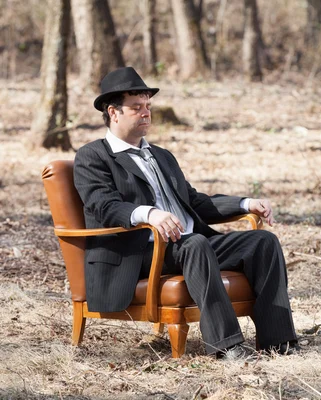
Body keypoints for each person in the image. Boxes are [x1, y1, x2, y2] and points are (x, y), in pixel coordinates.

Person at [73, 67, 298, 358]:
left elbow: (194, 202)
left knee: (263, 243)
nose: (146, 113)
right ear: (113, 112)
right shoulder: (94, 156)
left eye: (148, 107)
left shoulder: (161, 156)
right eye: (137, 107)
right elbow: (103, 206)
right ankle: (227, 345)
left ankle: (278, 341)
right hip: (140, 251)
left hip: (190, 245)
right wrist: (149, 213)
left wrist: (245, 203)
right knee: (195, 243)